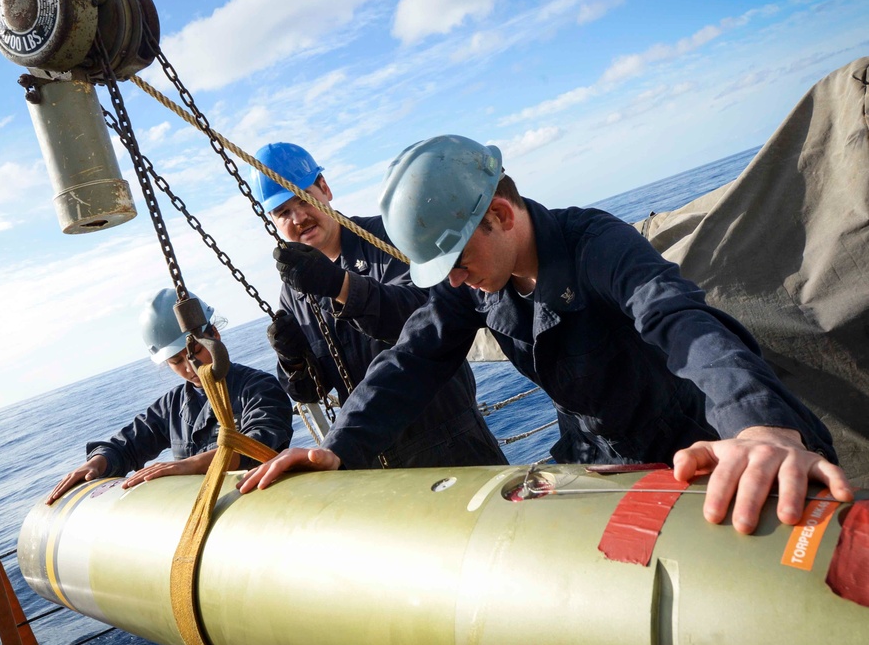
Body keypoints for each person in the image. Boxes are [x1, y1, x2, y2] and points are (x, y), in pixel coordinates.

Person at [239, 135, 853, 535]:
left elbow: (681, 321)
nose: (453, 281)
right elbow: (413, 357)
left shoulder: (597, 245)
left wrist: (760, 425)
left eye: (455, 261)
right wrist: (338, 446)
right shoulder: (473, 278)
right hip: (598, 467)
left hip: (694, 446)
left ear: (502, 217)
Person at [250, 141, 506, 469]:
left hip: (450, 439)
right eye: (283, 211)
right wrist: (293, 362)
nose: (298, 217)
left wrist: (340, 285)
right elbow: (311, 391)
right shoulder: (295, 292)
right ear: (273, 221)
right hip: (370, 458)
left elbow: (426, 319)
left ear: (325, 188)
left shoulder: (389, 235)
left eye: (303, 197)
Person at [47, 288, 293, 503]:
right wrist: (97, 462)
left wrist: (186, 466)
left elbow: (259, 443)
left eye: (195, 351)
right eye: (176, 361)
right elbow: (128, 445)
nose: (191, 367)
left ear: (214, 335)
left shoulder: (259, 387)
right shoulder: (172, 406)